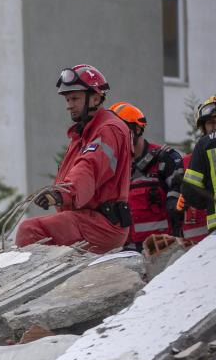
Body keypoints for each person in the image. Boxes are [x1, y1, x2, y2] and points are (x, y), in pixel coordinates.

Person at [15, 64, 133, 253]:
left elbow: (89, 168)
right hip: (89, 219)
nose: (69, 105)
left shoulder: (108, 130)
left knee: (30, 230)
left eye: (75, 98)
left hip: (102, 224)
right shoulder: (85, 133)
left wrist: (61, 194)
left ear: (95, 97)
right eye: (67, 99)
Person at [108, 102, 184, 251]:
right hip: (125, 254)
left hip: (163, 250)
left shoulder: (165, 159)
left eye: (121, 131)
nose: (117, 137)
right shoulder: (111, 167)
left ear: (137, 129)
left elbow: (180, 202)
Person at [180, 95, 216, 241]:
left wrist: (208, 201)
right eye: (211, 123)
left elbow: (190, 189)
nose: (214, 127)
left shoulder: (204, 144)